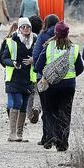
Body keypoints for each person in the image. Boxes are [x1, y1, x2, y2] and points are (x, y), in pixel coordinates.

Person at [34, 21, 84, 151]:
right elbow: (80, 68)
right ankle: (62, 144)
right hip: (68, 86)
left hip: (51, 85)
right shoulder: (74, 48)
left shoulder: (49, 46)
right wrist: (69, 77)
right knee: (65, 113)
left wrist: (50, 75)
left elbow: (38, 66)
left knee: (50, 111)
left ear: (55, 33)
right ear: (67, 34)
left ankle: (50, 137)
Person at [0, 17, 36, 142]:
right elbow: (4, 58)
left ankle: (19, 134)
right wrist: (13, 62)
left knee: (24, 106)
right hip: (14, 77)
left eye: (28, 27)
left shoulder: (35, 40)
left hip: (28, 78)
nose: (26, 29)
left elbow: (42, 57)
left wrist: (33, 60)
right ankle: (12, 133)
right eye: (23, 27)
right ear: (19, 28)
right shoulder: (11, 41)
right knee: (17, 103)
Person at [31, 14, 60, 146]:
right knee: (58, 109)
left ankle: (46, 137)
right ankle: (59, 136)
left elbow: (36, 56)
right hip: (61, 78)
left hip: (44, 78)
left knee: (47, 109)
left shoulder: (42, 36)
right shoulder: (63, 36)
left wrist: (39, 71)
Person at [26, 15, 44, 124]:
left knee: (29, 93)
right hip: (39, 71)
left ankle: (29, 114)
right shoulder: (42, 38)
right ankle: (37, 108)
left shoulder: (27, 38)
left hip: (28, 71)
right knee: (39, 93)